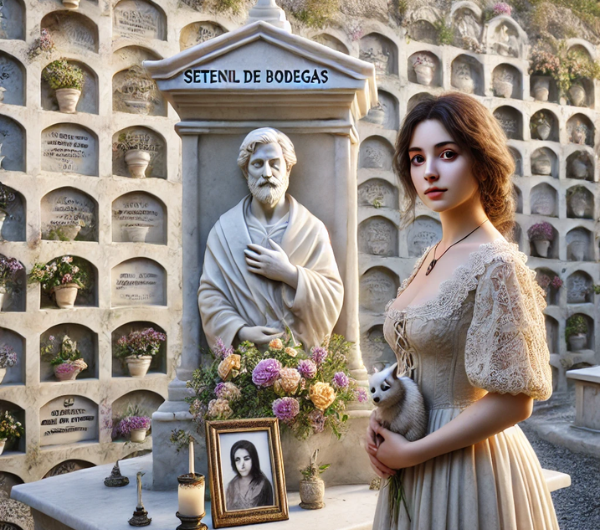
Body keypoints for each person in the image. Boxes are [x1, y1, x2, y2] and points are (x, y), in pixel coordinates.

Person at [366, 92, 558, 529]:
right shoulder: (430, 256)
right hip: (412, 462)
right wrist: (383, 424)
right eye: (417, 158)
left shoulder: (498, 264)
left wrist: (412, 451)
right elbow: (412, 365)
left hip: (471, 469)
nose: (429, 171)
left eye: (447, 153)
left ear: (481, 158)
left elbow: (516, 402)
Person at [198, 127, 343, 350]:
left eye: (275, 163)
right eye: (257, 164)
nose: (267, 173)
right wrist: (241, 331)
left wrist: (289, 273)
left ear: (288, 169)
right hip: (244, 363)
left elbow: (331, 295)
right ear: (246, 172)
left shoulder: (312, 230)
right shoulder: (224, 232)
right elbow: (210, 297)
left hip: (297, 359)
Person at [225, 439, 274, 511]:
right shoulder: (231, 486)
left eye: (246, 459)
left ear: (253, 460)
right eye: (237, 460)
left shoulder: (263, 484)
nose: (242, 465)